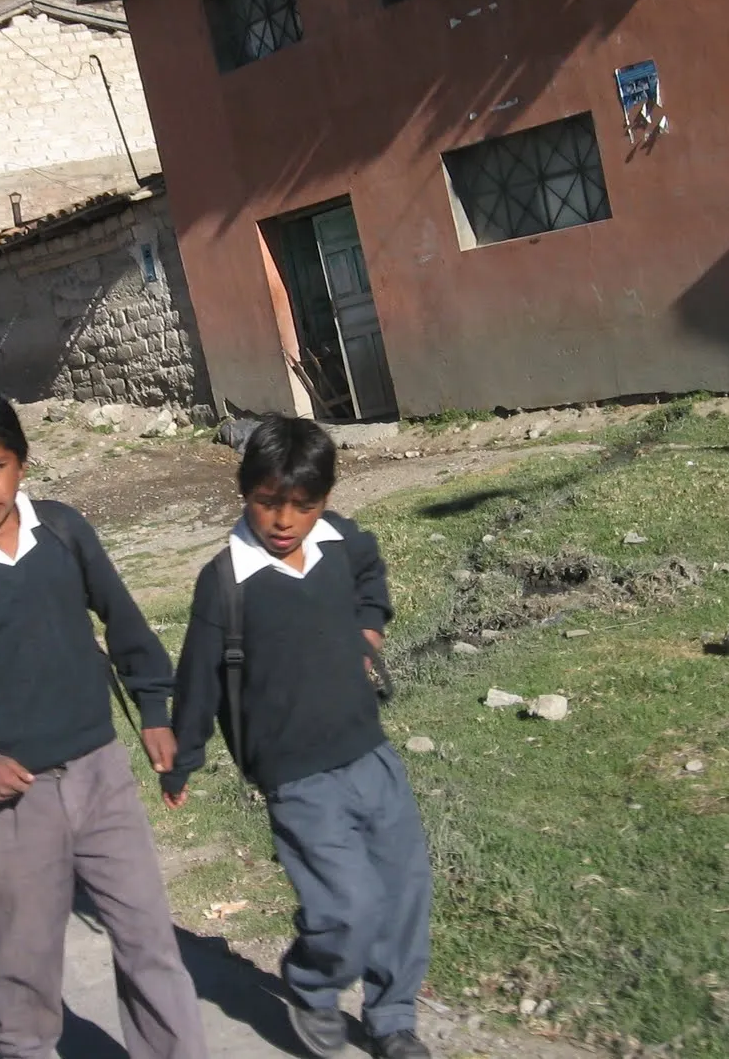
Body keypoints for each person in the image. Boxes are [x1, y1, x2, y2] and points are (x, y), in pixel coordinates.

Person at [0, 388, 207, 1059]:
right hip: (12, 801)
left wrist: (153, 710)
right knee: (19, 965)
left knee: (149, 942)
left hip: (101, 777)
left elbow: (124, 623)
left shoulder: (63, 532)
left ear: (22, 465)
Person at [161, 414, 433, 1059]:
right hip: (295, 775)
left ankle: (393, 1017)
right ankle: (313, 983)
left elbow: (370, 568)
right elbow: (197, 679)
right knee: (348, 903)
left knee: (403, 888)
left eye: (302, 506)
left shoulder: (339, 541)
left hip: (369, 751)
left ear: (325, 501)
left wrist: (370, 625)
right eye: (267, 502)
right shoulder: (226, 582)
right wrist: (183, 761)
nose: (284, 520)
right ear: (244, 490)